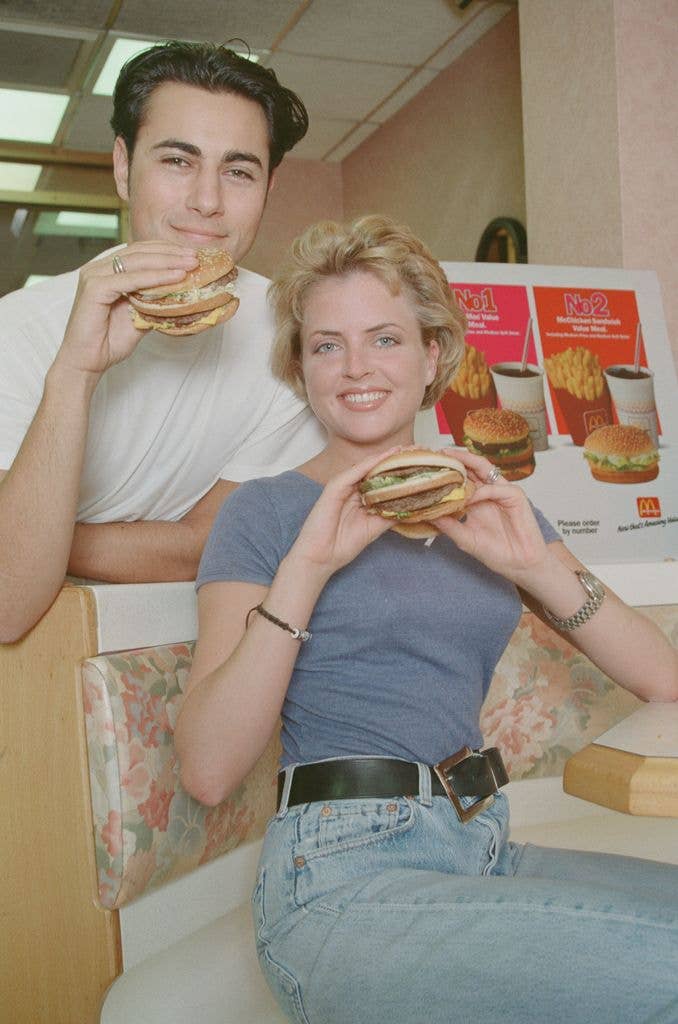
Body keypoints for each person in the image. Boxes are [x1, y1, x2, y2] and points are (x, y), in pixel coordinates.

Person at [174, 215, 678, 1024]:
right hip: (337, 881)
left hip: (481, 843)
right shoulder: (266, 513)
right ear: (300, 367)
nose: (356, 368)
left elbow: (662, 676)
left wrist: (536, 568)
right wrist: (308, 567)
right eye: (327, 345)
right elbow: (207, 767)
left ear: (433, 354)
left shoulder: (492, 506)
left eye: (385, 339)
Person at [0, 41, 325, 642]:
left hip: (205, 656)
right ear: (124, 166)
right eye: (177, 161)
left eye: (238, 171)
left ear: (269, 187)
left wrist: (46, 536)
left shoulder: (294, 336)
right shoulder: (16, 332)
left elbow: (211, 543)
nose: (207, 201)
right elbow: (7, 599)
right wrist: (74, 373)